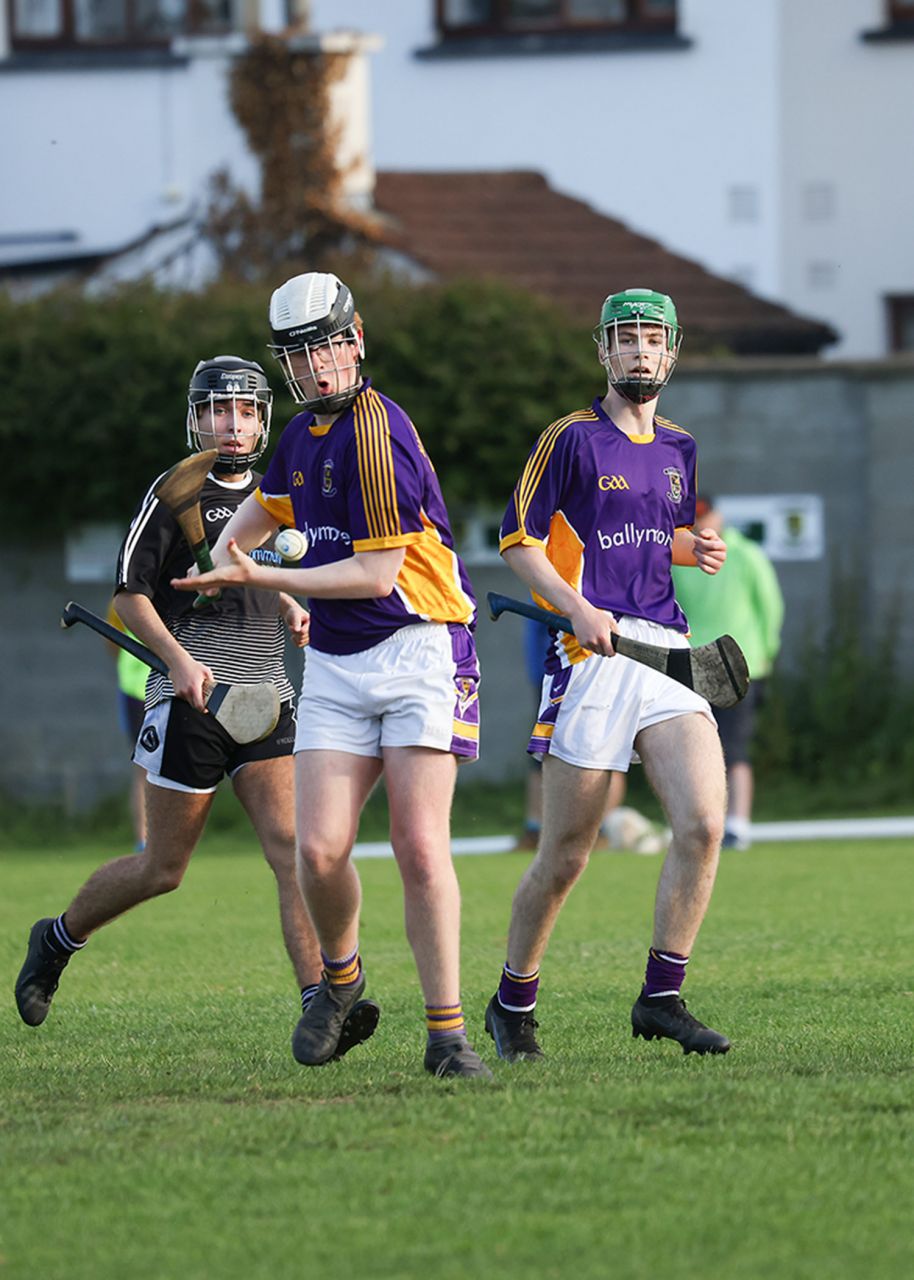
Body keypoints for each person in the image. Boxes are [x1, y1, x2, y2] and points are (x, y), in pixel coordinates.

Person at [170, 272, 490, 1079]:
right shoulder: (302, 438)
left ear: (354, 341)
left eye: (326, 347)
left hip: (419, 645)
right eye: (298, 355)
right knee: (317, 853)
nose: (315, 367)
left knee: (419, 847)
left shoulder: (377, 433)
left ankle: (447, 1037)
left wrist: (264, 579)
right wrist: (228, 560)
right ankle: (340, 984)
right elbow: (246, 528)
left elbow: (378, 576)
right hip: (339, 660)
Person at [15, 355, 378, 1062]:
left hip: (267, 694)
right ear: (197, 417)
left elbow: (255, 567)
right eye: (218, 410)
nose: (231, 424)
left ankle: (320, 1007)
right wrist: (179, 662)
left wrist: (291, 602)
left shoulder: (282, 488)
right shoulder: (175, 490)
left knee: (292, 851)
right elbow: (128, 594)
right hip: (192, 703)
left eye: (244, 410)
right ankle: (56, 939)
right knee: (164, 869)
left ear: (263, 419)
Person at [484, 287, 732, 1063]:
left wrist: (695, 549)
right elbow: (517, 541)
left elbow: (655, 536)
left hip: (665, 651)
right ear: (603, 352)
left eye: (651, 339)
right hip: (590, 657)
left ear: (672, 351)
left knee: (702, 822)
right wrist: (574, 605)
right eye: (624, 339)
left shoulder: (679, 449)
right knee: (565, 855)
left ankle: (661, 997)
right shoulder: (570, 439)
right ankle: (511, 1002)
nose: (638, 351)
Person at [672, 495, 784, 851]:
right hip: (692, 664)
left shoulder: (746, 555)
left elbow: (769, 607)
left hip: (740, 663)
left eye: (706, 516)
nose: (703, 525)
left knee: (734, 746)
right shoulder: (678, 560)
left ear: (719, 516)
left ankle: (736, 823)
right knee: (695, 748)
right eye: (696, 519)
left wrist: (765, 654)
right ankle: (703, 820)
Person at [105, 600, 149, 852]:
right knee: (143, 767)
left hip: (174, 686)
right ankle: (143, 840)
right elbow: (111, 639)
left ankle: (170, 836)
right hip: (137, 689)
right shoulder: (123, 597)